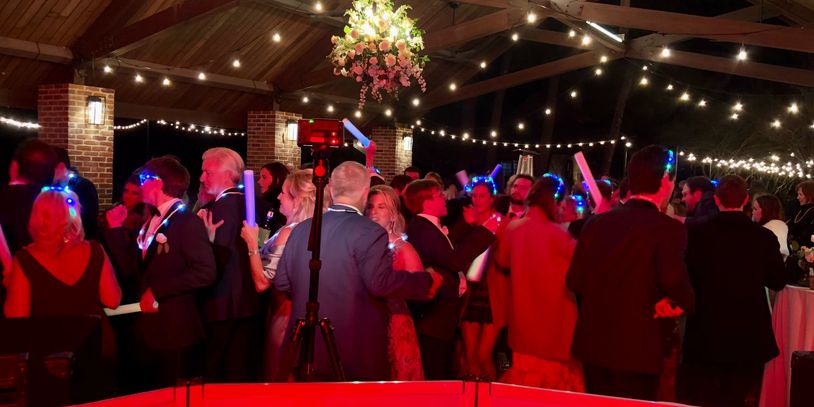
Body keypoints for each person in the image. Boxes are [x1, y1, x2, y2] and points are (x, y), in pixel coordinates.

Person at [275, 161, 441, 380]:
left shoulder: (302, 228)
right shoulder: (369, 232)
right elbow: (379, 283)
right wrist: (425, 281)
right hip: (353, 349)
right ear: (365, 192)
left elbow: (282, 282)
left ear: (331, 189)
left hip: (306, 348)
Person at [566, 145, 694, 401]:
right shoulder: (667, 228)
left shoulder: (596, 223)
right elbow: (672, 279)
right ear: (665, 181)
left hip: (595, 344)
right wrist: (683, 301)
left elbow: (575, 280)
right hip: (639, 345)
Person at [104, 156, 216, 390]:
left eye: (144, 179)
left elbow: (206, 272)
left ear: (157, 183)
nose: (140, 184)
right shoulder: (150, 220)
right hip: (146, 331)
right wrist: (115, 231)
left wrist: (158, 291)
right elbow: (132, 271)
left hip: (174, 332)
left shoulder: (186, 221)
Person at [677, 175, 787, 407]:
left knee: (706, 395)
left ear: (716, 200)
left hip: (706, 327)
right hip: (746, 330)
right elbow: (777, 280)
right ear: (746, 199)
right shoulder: (762, 237)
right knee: (736, 396)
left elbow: (686, 275)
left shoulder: (697, 233)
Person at [4, 187, 121, 397]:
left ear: (37, 216)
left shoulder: (25, 259)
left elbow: (16, 317)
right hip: (95, 345)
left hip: (51, 351)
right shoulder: (95, 250)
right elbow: (112, 300)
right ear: (74, 213)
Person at [496, 175, 583, 391]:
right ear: (552, 201)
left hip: (523, 319)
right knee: (555, 385)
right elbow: (584, 266)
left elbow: (502, 261)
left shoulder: (513, 228)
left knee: (524, 383)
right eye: (561, 202)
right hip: (556, 320)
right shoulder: (559, 235)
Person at [404, 178, 497, 379]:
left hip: (439, 319)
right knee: (435, 376)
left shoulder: (427, 227)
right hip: (434, 320)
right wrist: (487, 231)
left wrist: (466, 224)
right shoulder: (423, 230)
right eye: (439, 195)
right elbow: (454, 261)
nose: (445, 198)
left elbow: (445, 251)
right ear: (427, 202)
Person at [239, 169, 319, 380]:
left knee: (280, 374)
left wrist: (251, 245)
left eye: (283, 193)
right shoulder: (317, 228)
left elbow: (262, 283)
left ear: (298, 199)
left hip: (284, 313)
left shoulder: (289, 231)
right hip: (303, 311)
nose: (278, 197)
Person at [197, 147, 259, 382]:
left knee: (218, 375)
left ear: (226, 174)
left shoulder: (217, 210)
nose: (202, 178)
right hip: (249, 302)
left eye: (207, 172)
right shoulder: (252, 205)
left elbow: (214, 263)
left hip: (220, 304)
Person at [366, 184, 424, 380]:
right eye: (370, 206)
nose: (373, 212)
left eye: (381, 207)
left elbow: (421, 289)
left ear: (393, 215)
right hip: (366, 319)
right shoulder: (362, 243)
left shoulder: (403, 248)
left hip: (394, 321)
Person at [459, 178, 502, 380]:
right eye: (474, 195)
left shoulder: (501, 222)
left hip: (493, 293)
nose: (477, 200)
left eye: (482, 195)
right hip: (470, 292)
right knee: (470, 356)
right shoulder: (467, 221)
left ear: (491, 198)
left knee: (485, 355)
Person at [53, 147, 100, 240]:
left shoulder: (83, 187)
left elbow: (87, 222)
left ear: (61, 167)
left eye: (49, 168)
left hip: (82, 246)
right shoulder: (57, 188)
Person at [256, 162, 290, 237]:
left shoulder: (268, 205)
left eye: (264, 177)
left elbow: (262, 237)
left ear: (277, 180)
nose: (259, 181)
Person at [753, 194, 789, 259]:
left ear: (766, 210)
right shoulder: (783, 225)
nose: (753, 212)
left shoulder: (765, 230)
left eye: (755, 209)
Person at [787, 181, 814, 249]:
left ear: (810, 195)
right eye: (798, 194)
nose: (797, 197)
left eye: (800, 194)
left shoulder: (812, 212)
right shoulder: (800, 210)